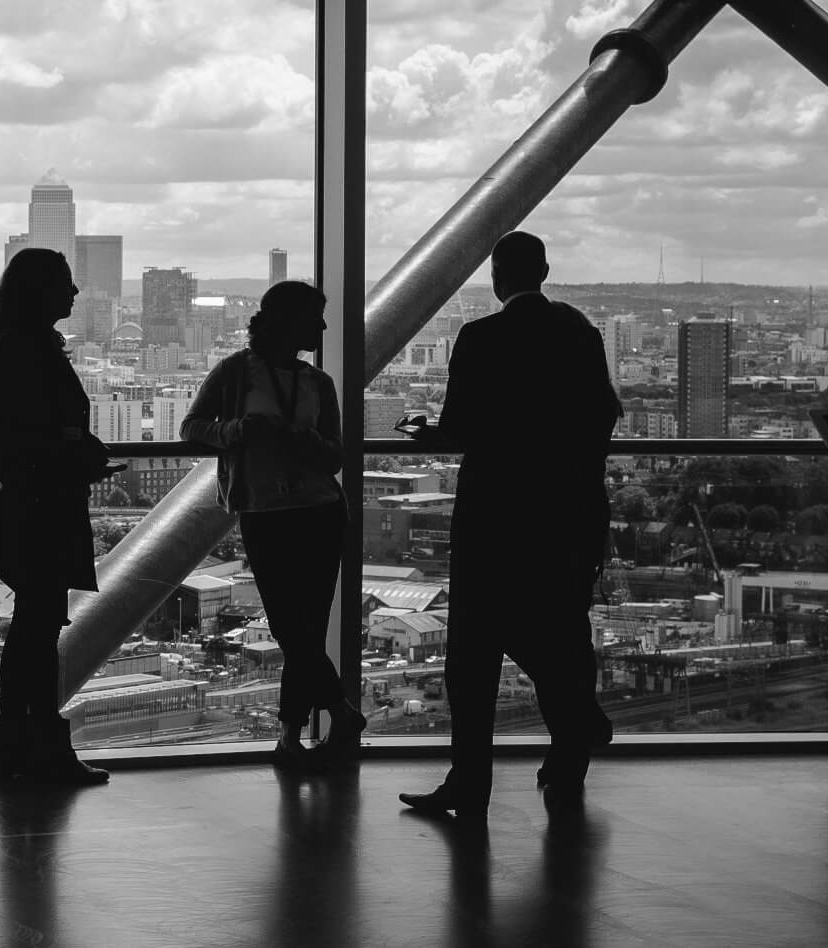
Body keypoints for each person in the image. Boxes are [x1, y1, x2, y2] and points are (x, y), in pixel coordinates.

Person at [397, 231, 623, 819]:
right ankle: (570, 751)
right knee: (563, 628)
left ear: (497, 278)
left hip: (496, 514)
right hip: (568, 511)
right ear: (545, 271)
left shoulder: (481, 337)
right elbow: (602, 414)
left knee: (474, 654)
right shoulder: (581, 334)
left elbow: (461, 429)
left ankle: (470, 784)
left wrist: (426, 435)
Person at [180, 281, 359, 769]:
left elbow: (334, 455)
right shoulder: (237, 373)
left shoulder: (316, 382)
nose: (323, 327)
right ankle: (336, 713)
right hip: (277, 513)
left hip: (314, 512)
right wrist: (239, 431)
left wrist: (284, 435)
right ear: (288, 322)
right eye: (315, 318)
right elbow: (192, 428)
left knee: (302, 630)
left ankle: (290, 736)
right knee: (292, 628)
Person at [0, 247, 116, 786]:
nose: (75, 294)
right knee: (38, 627)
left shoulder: (13, 346)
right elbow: (40, 431)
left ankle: (21, 745)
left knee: (34, 625)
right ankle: (38, 745)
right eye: (66, 284)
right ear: (41, 291)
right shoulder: (31, 349)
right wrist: (81, 452)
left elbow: (24, 428)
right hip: (40, 502)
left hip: (24, 499)